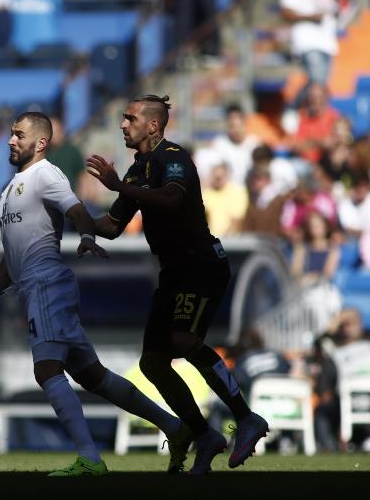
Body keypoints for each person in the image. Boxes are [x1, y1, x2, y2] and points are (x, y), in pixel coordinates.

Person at [0, 111, 194, 476]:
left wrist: (86, 236)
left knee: (47, 370)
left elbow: (78, 211)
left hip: (47, 282)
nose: (10, 140)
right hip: (35, 286)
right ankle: (175, 427)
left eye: (18, 134)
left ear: (40, 143)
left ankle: (90, 458)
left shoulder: (46, 175)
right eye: (10, 134)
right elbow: (11, 257)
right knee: (94, 377)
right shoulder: (7, 194)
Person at [86, 94, 268, 474]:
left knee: (184, 340)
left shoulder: (174, 158)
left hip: (201, 265)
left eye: (129, 118)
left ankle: (246, 417)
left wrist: (119, 186)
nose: (123, 124)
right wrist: (70, 217)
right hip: (173, 271)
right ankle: (205, 435)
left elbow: (170, 200)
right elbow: (112, 227)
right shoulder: (137, 172)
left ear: (152, 125)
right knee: (152, 363)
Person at [279, 0, 338, 105]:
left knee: (320, 84)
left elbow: (330, 8)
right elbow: (285, 12)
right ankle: (292, 108)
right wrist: (310, 17)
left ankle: (305, 114)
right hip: (307, 40)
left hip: (327, 41)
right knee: (318, 81)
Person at [195, 105, 261, 188]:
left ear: (245, 124)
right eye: (232, 126)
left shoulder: (254, 143)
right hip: (228, 193)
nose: (236, 130)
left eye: (239, 125)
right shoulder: (219, 144)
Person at [200, 162, 248, 237]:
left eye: (220, 177)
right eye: (215, 177)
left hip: (230, 240)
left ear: (227, 176)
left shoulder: (237, 192)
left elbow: (237, 219)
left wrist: (225, 238)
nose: (217, 180)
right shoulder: (206, 193)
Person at [47, 115, 85, 192]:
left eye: (55, 131)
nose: (52, 135)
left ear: (62, 131)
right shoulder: (42, 153)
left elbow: (82, 176)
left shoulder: (72, 151)